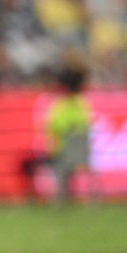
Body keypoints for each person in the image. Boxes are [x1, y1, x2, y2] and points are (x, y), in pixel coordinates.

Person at [45, 54, 94, 204]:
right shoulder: (82, 104)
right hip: (81, 154)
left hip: (62, 153)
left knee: (58, 162)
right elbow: (87, 126)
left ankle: (61, 196)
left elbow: (52, 127)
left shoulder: (59, 105)